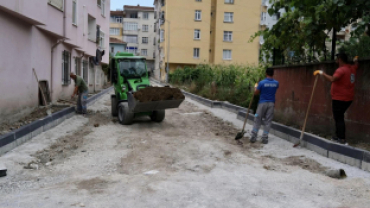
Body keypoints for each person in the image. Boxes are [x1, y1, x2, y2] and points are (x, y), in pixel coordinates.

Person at [314, 53, 359, 145]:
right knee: (339, 116)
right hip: (348, 98)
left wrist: (321, 73)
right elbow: (357, 65)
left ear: (340, 59)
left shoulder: (341, 70)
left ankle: (341, 139)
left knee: (339, 118)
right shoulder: (352, 68)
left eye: (337, 59)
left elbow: (332, 79)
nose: (336, 61)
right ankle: (338, 136)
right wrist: (356, 60)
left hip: (340, 98)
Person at [250, 68, 279, 144]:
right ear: (273, 74)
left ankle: (253, 136)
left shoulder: (262, 83)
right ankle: (265, 138)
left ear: (266, 73)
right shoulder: (276, 83)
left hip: (262, 103)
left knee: (257, 119)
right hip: (271, 104)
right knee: (268, 121)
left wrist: (256, 87)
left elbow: (256, 93)